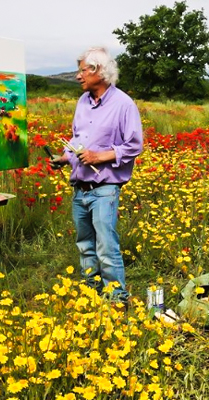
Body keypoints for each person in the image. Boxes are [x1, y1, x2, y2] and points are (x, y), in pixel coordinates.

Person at [51, 47, 143, 307]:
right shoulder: (82, 102)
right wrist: (65, 157)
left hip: (105, 187)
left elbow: (134, 145)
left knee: (106, 245)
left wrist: (99, 157)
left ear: (99, 71)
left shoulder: (123, 104)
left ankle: (116, 299)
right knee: (84, 244)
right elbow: (77, 139)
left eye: (83, 70)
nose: (78, 76)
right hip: (80, 186)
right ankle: (91, 292)